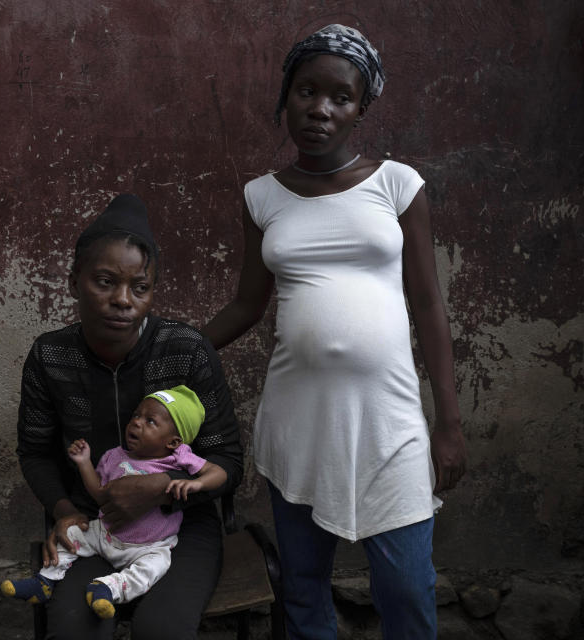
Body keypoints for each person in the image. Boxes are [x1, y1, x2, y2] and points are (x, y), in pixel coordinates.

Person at [202, 24, 468, 640]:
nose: (320, 108)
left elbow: (428, 304)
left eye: (340, 97)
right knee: (303, 589)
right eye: (306, 91)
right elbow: (246, 304)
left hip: (389, 424)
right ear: (286, 97)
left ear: (360, 110)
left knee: (405, 586)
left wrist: (448, 424)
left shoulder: (397, 185)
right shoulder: (262, 197)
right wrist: (170, 344)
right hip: (298, 422)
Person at [16, 193, 243, 640]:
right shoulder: (51, 356)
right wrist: (63, 512)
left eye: (140, 287)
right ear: (73, 281)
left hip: (179, 528)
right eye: (105, 281)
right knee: (75, 629)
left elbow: (229, 460)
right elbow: (36, 452)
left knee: (162, 629)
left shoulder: (186, 350)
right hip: (94, 524)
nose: (123, 300)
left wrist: (158, 489)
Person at [3, 385, 227, 620]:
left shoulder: (178, 458)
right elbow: (100, 495)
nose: (137, 423)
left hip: (149, 546)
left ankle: (107, 588)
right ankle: (45, 581)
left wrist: (197, 483)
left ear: (173, 442)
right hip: (106, 534)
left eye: (150, 421)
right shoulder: (115, 456)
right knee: (70, 533)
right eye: (137, 415)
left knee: (154, 568)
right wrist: (84, 463)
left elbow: (219, 473)